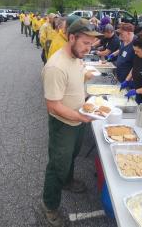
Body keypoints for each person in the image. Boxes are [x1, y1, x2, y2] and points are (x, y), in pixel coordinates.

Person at [41, 18, 102, 227]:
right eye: (86, 43)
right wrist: (81, 116)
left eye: (91, 44)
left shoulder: (77, 56)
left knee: (72, 156)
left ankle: (67, 182)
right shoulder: (55, 67)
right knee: (57, 165)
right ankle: (50, 206)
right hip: (64, 125)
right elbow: (53, 105)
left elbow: (75, 76)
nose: (89, 48)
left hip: (77, 120)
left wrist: (86, 76)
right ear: (72, 37)